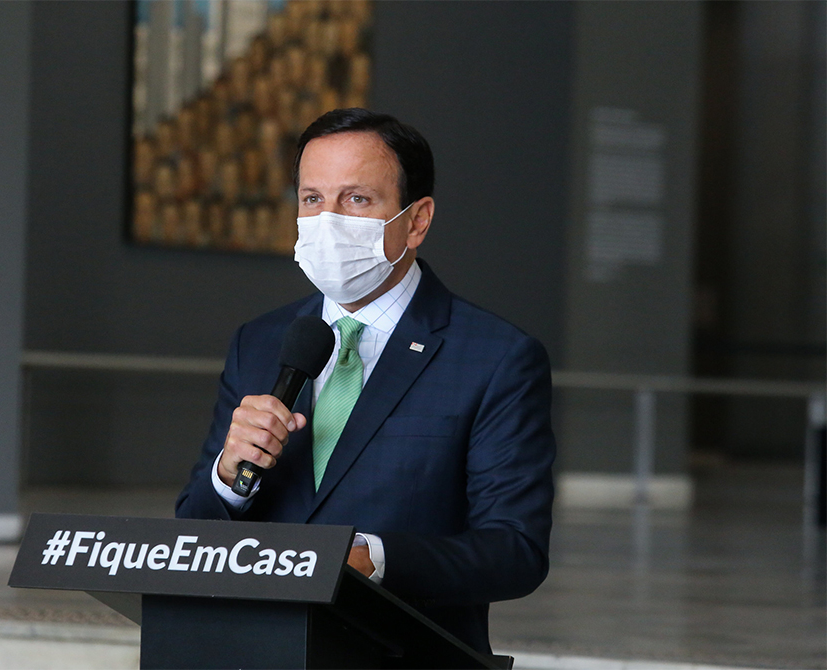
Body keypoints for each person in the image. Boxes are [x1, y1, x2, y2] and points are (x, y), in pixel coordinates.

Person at [175, 108, 555, 654]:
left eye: (356, 199)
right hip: (257, 651)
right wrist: (227, 476)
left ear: (417, 220)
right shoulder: (258, 342)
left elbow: (515, 552)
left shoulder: (496, 358)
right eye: (312, 199)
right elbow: (194, 529)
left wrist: (374, 559)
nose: (328, 220)